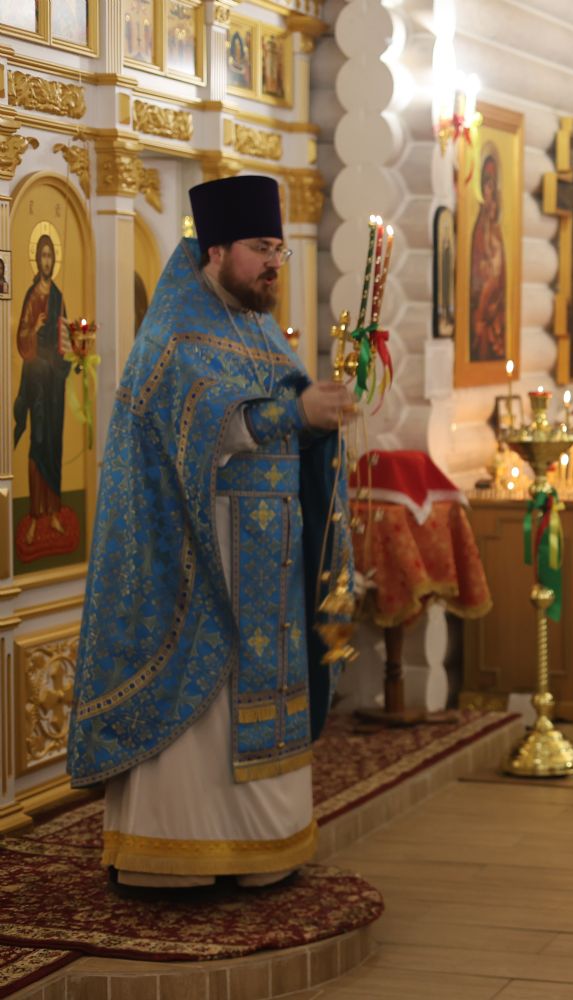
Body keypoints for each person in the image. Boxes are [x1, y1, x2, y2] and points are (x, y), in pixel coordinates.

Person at [67, 175, 355, 890]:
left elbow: (285, 421)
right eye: (262, 249)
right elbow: (211, 429)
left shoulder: (261, 331)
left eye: (280, 251)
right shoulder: (172, 337)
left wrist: (318, 424)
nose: (274, 265)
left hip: (272, 559)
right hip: (200, 562)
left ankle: (266, 845)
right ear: (217, 249)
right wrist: (296, 415)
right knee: (208, 712)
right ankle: (175, 854)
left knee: (260, 695)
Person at [13, 232, 72, 554]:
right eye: (43, 255)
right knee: (37, 444)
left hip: (55, 385)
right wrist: (34, 329)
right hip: (37, 383)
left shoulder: (59, 296)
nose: (47, 261)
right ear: (37, 259)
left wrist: (75, 349)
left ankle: (53, 513)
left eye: (51, 256)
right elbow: (21, 340)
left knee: (54, 444)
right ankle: (35, 515)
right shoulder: (32, 294)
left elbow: (66, 339)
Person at [469, 151, 506, 361]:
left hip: (489, 309)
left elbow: (495, 276)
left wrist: (483, 313)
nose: (488, 189)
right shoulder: (480, 224)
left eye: (492, 183)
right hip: (479, 306)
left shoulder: (495, 230)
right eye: (485, 182)